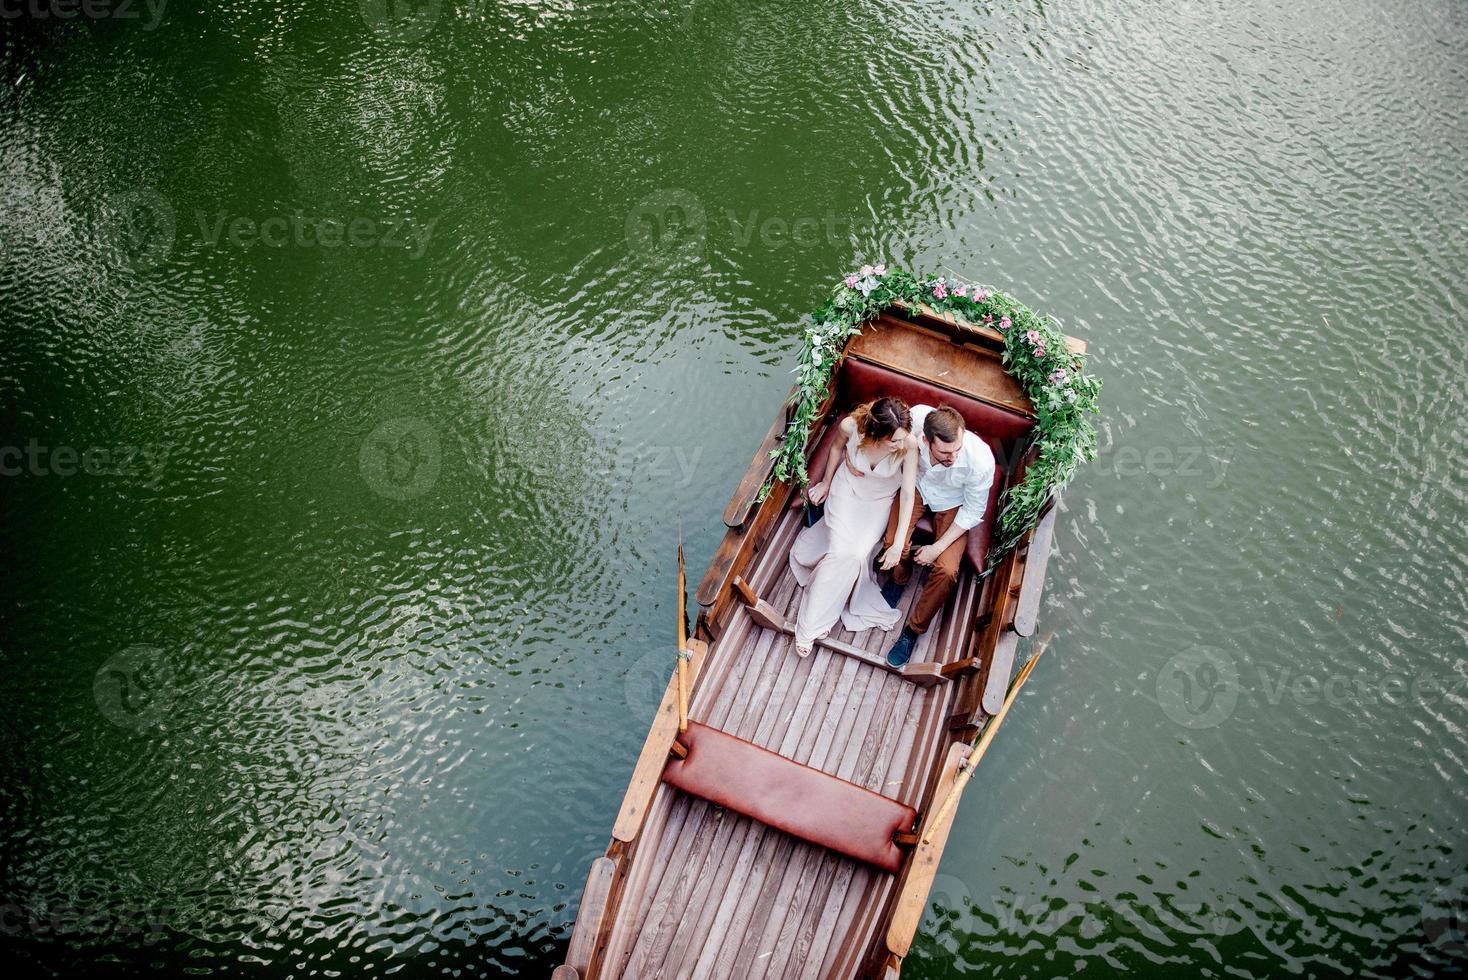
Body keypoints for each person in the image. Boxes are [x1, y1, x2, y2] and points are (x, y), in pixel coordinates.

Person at [788, 397, 918, 657]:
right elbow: (835, 449)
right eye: (894, 441)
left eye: (902, 438)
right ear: (875, 434)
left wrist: (899, 543)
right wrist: (825, 483)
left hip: (878, 502)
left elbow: (907, 494)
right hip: (846, 491)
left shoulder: (909, 445)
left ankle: (828, 609)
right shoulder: (851, 427)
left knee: (857, 554)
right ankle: (810, 626)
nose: (900, 444)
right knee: (840, 552)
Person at [882, 404, 995, 667]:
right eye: (945, 452)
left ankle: (912, 631)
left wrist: (936, 548)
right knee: (891, 544)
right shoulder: (918, 417)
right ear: (925, 439)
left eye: (957, 449)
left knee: (947, 571)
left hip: (954, 504)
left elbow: (973, 511)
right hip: (917, 486)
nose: (953, 457)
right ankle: (899, 580)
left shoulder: (980, 460)